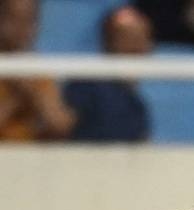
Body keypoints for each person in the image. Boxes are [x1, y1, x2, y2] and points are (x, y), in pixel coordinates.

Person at [63, 6, 152, 143]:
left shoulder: (137, 105)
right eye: (128, 39)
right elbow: (60, 128)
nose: (137, 47)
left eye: (142, 39)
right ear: (107, 43)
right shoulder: (87, 83)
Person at [0, 0, 75, 142]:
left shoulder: (36, 68)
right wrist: (16, 97)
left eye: (29, 20)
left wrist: (33, 94)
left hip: (30, 158)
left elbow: (60, 125)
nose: (21, 28)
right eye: (13, 19)